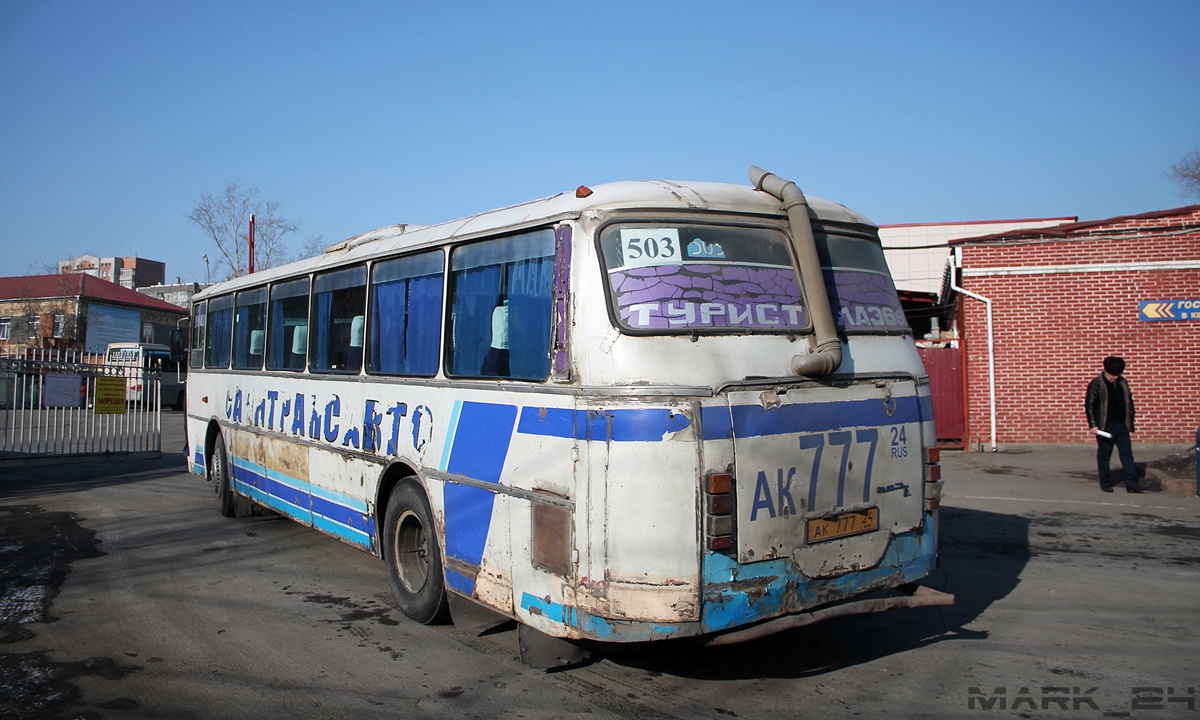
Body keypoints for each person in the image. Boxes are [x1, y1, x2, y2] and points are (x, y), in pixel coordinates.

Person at [1085, 356, 1145, 493]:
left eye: (1118, 374)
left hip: (1121, 424)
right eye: (1113, 375)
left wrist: (1130, 419)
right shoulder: (1097, 384)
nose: (1115, 377)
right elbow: (1090, 405)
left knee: (1127, 454)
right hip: (1106, 425)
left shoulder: (1122, 382)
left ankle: (1132, 484)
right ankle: (1105, 482)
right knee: (1105, 455)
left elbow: (1129, 401)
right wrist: (1093, 425)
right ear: (1106, 371)